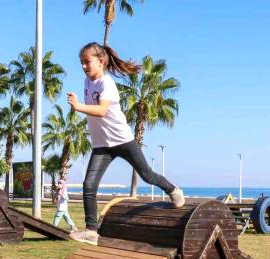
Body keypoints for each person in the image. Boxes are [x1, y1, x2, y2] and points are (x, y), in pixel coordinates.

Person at [66, 42, 185, 245]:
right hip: (101, 145)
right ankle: (92, 231)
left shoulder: (107, 84)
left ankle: (173, 190)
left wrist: (78, 106)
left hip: (122, 140)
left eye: (87, 62)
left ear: (101, 61)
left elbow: (102, 110)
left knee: (147, 175)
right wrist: (79, 104)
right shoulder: (87, 82)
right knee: (89, 185)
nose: (84, 67)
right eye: (81, 63)